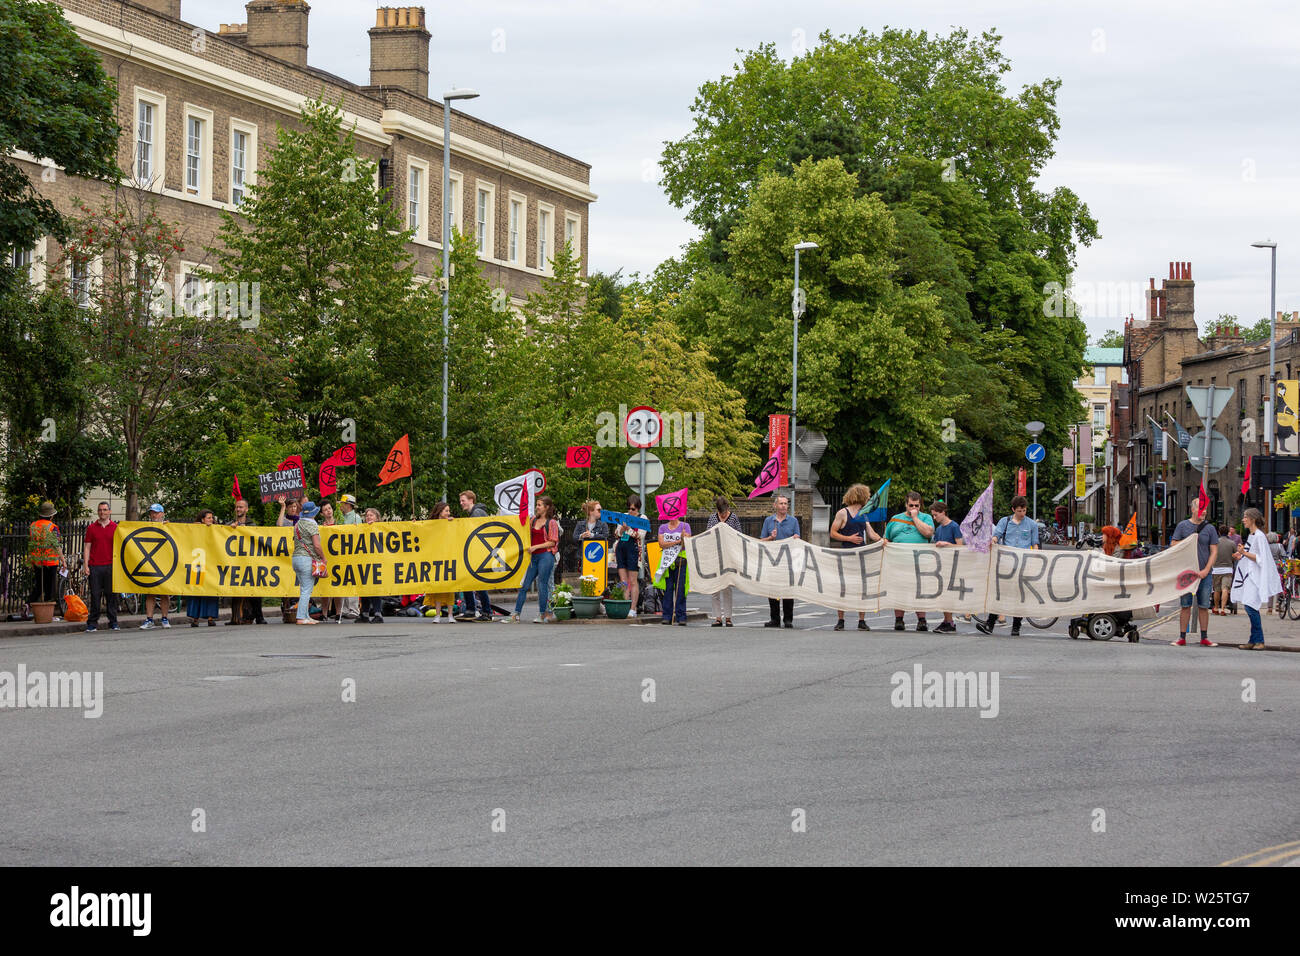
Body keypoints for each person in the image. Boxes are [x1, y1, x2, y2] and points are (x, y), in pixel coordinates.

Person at [976, 495, 1038, 637]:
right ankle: (990, 624)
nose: (1022, 513)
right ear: (1013, 510)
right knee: (1000, 593)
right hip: (1006, 564)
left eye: (1024, 510)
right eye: (1019, 511)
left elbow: (1035, 543)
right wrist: (993, 540)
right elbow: (997, 535)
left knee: (1019, 595)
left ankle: (1016, 626)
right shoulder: (1005, 521)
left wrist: (1036, 558)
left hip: (1023, 564)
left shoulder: (1031, 525)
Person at [828, 484, 880, 631]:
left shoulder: (864, 514)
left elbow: (871, 533)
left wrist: (882, 540)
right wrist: (848, 538)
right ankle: (841, 619)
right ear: (861, 496)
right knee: (843, 588)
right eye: (867, 495)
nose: (869, 498)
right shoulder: (843, 513)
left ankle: (861, 620)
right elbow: (833, 533)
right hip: (847, 554)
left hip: (861, 554)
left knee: (861, 588)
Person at [1230, 507, 1282, 650]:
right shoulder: (1253, 536)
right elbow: (1251, 554)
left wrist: (1244, 553)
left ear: (1252, 519)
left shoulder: (1259, 536)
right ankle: (1253, 640)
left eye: (1245, 517)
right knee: (1250, 606)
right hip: (1249, 576)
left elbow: (1261, 558)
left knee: (1250, 606)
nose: (1243, 520)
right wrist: (1240, 554)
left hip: (1255, 577)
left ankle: (1259, 640)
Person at [1169, 498, 1218, 647]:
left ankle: (1204, 637)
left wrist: (1206, 570)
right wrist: (1190, 539)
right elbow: (1173, 544)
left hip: (1204, 573)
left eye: (1205, 509)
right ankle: (1182, 637)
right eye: (1200, 508)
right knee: (1185, 605)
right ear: (1192, 509)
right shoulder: (1183, 526)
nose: (1203, 512)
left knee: (1204, 606)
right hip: (1186, 573)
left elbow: (1214, 550)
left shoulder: (1210, 528)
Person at [885, 491, 934, 632]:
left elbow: (928, 533)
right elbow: (887, 537)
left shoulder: (926, 518)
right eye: (911, 505)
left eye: (917, 505)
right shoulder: (895, 519)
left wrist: (915, 517)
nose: (914, 508)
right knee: (899, 590)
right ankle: (899, 619)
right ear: (906, 504)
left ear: (920, 505)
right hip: (899, 562)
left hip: (920, 563)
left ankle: (921, 620)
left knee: (919, 591)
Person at [508, 496, 560, 623]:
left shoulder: (551, 523)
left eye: (539, 505)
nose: (537, 507)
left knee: (542, 585)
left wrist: (535, 546)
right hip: (534, 557)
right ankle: (516, 614)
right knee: (524, 585)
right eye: (537, 504)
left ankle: (542, 614)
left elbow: (553, 542)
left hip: (546, 556)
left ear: (546, 507)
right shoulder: (532, 520)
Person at [761, 494, 800, 629]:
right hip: (773, 560)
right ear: (775, 505)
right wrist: (771, 537)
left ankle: (788, 619)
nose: (784, 506)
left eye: (786, 503)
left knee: (788, 591)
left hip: (788, 561)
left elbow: (797, 539)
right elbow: (761, 541)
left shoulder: (793, 521)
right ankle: (775, 618)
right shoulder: (768, 521)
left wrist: (795, 538)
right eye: (781, 503)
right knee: (773, 591)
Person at [228, 498, 266, 625]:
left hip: (250, 562)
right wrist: (231, 529)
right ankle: (236, 617)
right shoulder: (230, 524)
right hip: (236, 562)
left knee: (255, 590)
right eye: (237, 507)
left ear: (246, 509)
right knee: (236, 591)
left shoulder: (252, 525)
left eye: (241, 507)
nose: (238, 509)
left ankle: (259, 616)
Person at [705, 495, 742, 627]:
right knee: (715, 588)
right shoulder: (712, 518)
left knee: (727, 587)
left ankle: (728, 617)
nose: (723, 514)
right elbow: (708, 534)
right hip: (715, 556)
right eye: (721, 512)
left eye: (724, 512)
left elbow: (739, 534)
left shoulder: (733, 518)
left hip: (729, 557)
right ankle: (718, 617)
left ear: (728, 508)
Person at [83, 501, 118, 632]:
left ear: (109, 512)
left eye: (104, 510)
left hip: (110, 566)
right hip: (95, 566)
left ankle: (113, 622)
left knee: (111, 595)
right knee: (95, 595)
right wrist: (86, 565)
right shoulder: (91, 528)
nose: (102, 512)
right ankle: (92, 623)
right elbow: (87, 547)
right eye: (100, 510)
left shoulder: (115, 527)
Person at [929, 501, 964, 632]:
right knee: (942, 594)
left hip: (952, 565)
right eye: (933, 515)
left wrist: (946, 545)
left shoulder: (954, 526)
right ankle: (947, 620)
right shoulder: (938, 529)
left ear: (943, 512)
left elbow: (960, 546)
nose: (934, 518)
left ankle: (949, 622)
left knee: (947, 594)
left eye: (936, 515)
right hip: (941, 565)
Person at [458, 490, 493, 621]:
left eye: (463, 500)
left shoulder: (476, 513)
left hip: (478, 553)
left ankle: (483, 611)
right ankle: (474, 609)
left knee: (477, 582)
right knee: (471, 581)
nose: (461, 503)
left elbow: (473, 533)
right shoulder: (475, 513)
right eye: (461, 501)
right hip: (477, 552)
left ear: (471, 500)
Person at [291, 500, 326, 626]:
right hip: (306, 558)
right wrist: (323, 558)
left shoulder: (298, 524)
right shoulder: (312, 525)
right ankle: (301, 617)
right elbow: (316, 545)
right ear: (313, 513)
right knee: (307, 589)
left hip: (296, 558)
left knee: (303, 588)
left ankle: (306, 616)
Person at [138, 503, 172, 629]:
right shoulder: (146, 526)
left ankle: (164, 618)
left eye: (157, 512)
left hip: (165, 563)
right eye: (152, 512)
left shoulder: (169, 526)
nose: (154, 515)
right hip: (150, 563)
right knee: (150, 592)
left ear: (162, 514)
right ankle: (149, 619)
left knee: (164, 592)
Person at [186, 510, 221, 627]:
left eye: (212, 518)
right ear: (202, 519)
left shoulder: (216, 530)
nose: (211, 520)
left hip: (211, 563)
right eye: (208, 518)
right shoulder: (196, 529)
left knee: (210, 591)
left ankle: (210, 618)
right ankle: (195, 618)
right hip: (198, 562)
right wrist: (198, 526)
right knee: (196, 591)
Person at [657, 508, 691, 626]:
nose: (671, 516)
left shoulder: (685, 526)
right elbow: (661, 544)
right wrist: (676, 542)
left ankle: (681, 616)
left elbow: (687, 544)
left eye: (674, 513)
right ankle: (667, 615)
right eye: (669, 514)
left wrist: (682, 538)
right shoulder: (662, 528)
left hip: (681, 561)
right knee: (668, 589)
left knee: (680, 589)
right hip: (667, 562)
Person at [426, 501, 458, 622]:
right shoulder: (431, 524)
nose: (448, 513)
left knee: (450, 587)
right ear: (440, 512)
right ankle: (437, 615)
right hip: (436, 557)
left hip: (449, 556)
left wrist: (453, 523)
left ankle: (450, 615)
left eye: (448, 511)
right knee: (438, 587)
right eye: (446, 511)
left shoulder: (451, 523)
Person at [613, 494, 644, 620]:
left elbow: (640, 535)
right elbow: (616, 533)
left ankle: (633, 608)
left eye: (634, 509)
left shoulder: (642, 518)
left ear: (638, 509)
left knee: (633, 580)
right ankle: (625, 606)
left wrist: (629, 529)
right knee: (623, 581)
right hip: (621, 549)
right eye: (630, 509)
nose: (631, 511)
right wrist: (621, 529)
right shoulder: (623, 516)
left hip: (634, 550)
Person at [316, 502, 344, 623]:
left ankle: (338, 613)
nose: (328, 511)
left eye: (330, 508)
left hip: (338, 559)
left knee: (337, 587)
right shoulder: (319, 527)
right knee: (325, 587)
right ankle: (324, 613)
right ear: (322, 513)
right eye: (325, 510)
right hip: (325, 559)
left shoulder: (340, 523)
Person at [336, 495, 363, 620]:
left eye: (343, 503)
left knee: (352, 581)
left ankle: (354, 609)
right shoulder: (340, 518)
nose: (341, 505)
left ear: (348, 505)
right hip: (342, 553)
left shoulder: (356, 518)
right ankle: (345, 608)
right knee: (344, 580)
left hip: (352, 553)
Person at [358, 507, 385, 624]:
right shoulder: (362, 529)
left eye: (371, 515)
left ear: (377, 518)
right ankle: (364, 613)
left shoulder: (383, 529)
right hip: (365, 561)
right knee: (364, 588)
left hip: (377, 562)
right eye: (367, 515)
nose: (368, 517)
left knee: (374, 589)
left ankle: (378, 613)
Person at [1211, 525, 1235, 616]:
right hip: (1228, 569)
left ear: (1219, 532)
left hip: (1216, 569)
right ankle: (1223, 609)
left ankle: (1216, 607)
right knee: (1225, 589)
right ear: (1228, 532)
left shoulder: (1215, 543)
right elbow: (1235, 554)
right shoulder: (1231, 543)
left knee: (1216, 590)